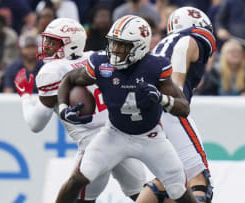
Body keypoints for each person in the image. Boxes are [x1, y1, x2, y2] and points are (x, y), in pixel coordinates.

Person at [55, 15, 197, 203]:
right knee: (78, 177)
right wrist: (64, 108)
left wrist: (162, 99)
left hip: (150, 137)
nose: (116, 50)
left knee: (178, 189)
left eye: (123, 46)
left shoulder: (155, 67)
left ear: (139, 46)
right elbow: (69, 79)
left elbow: (184, 108)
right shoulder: (101, 63)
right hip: (114, 133)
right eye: (114, 44)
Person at [13, 18, 146, 203]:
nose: (48, 47)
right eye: (48, 41)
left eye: (54, 42)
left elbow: (36, 124)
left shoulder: (53, 71)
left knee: (78, 197)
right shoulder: (97, 57)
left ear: (72, 45)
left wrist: (25, 96)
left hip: (94, 146)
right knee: (145, 195)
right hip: (121, 137)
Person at [136, 7, 215, 203]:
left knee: (172, 177)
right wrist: (176, 87)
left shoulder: (161, 45)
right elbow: (184, 45)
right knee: (199, 180)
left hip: (147, 111)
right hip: (168, 108)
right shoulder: (192, 36)